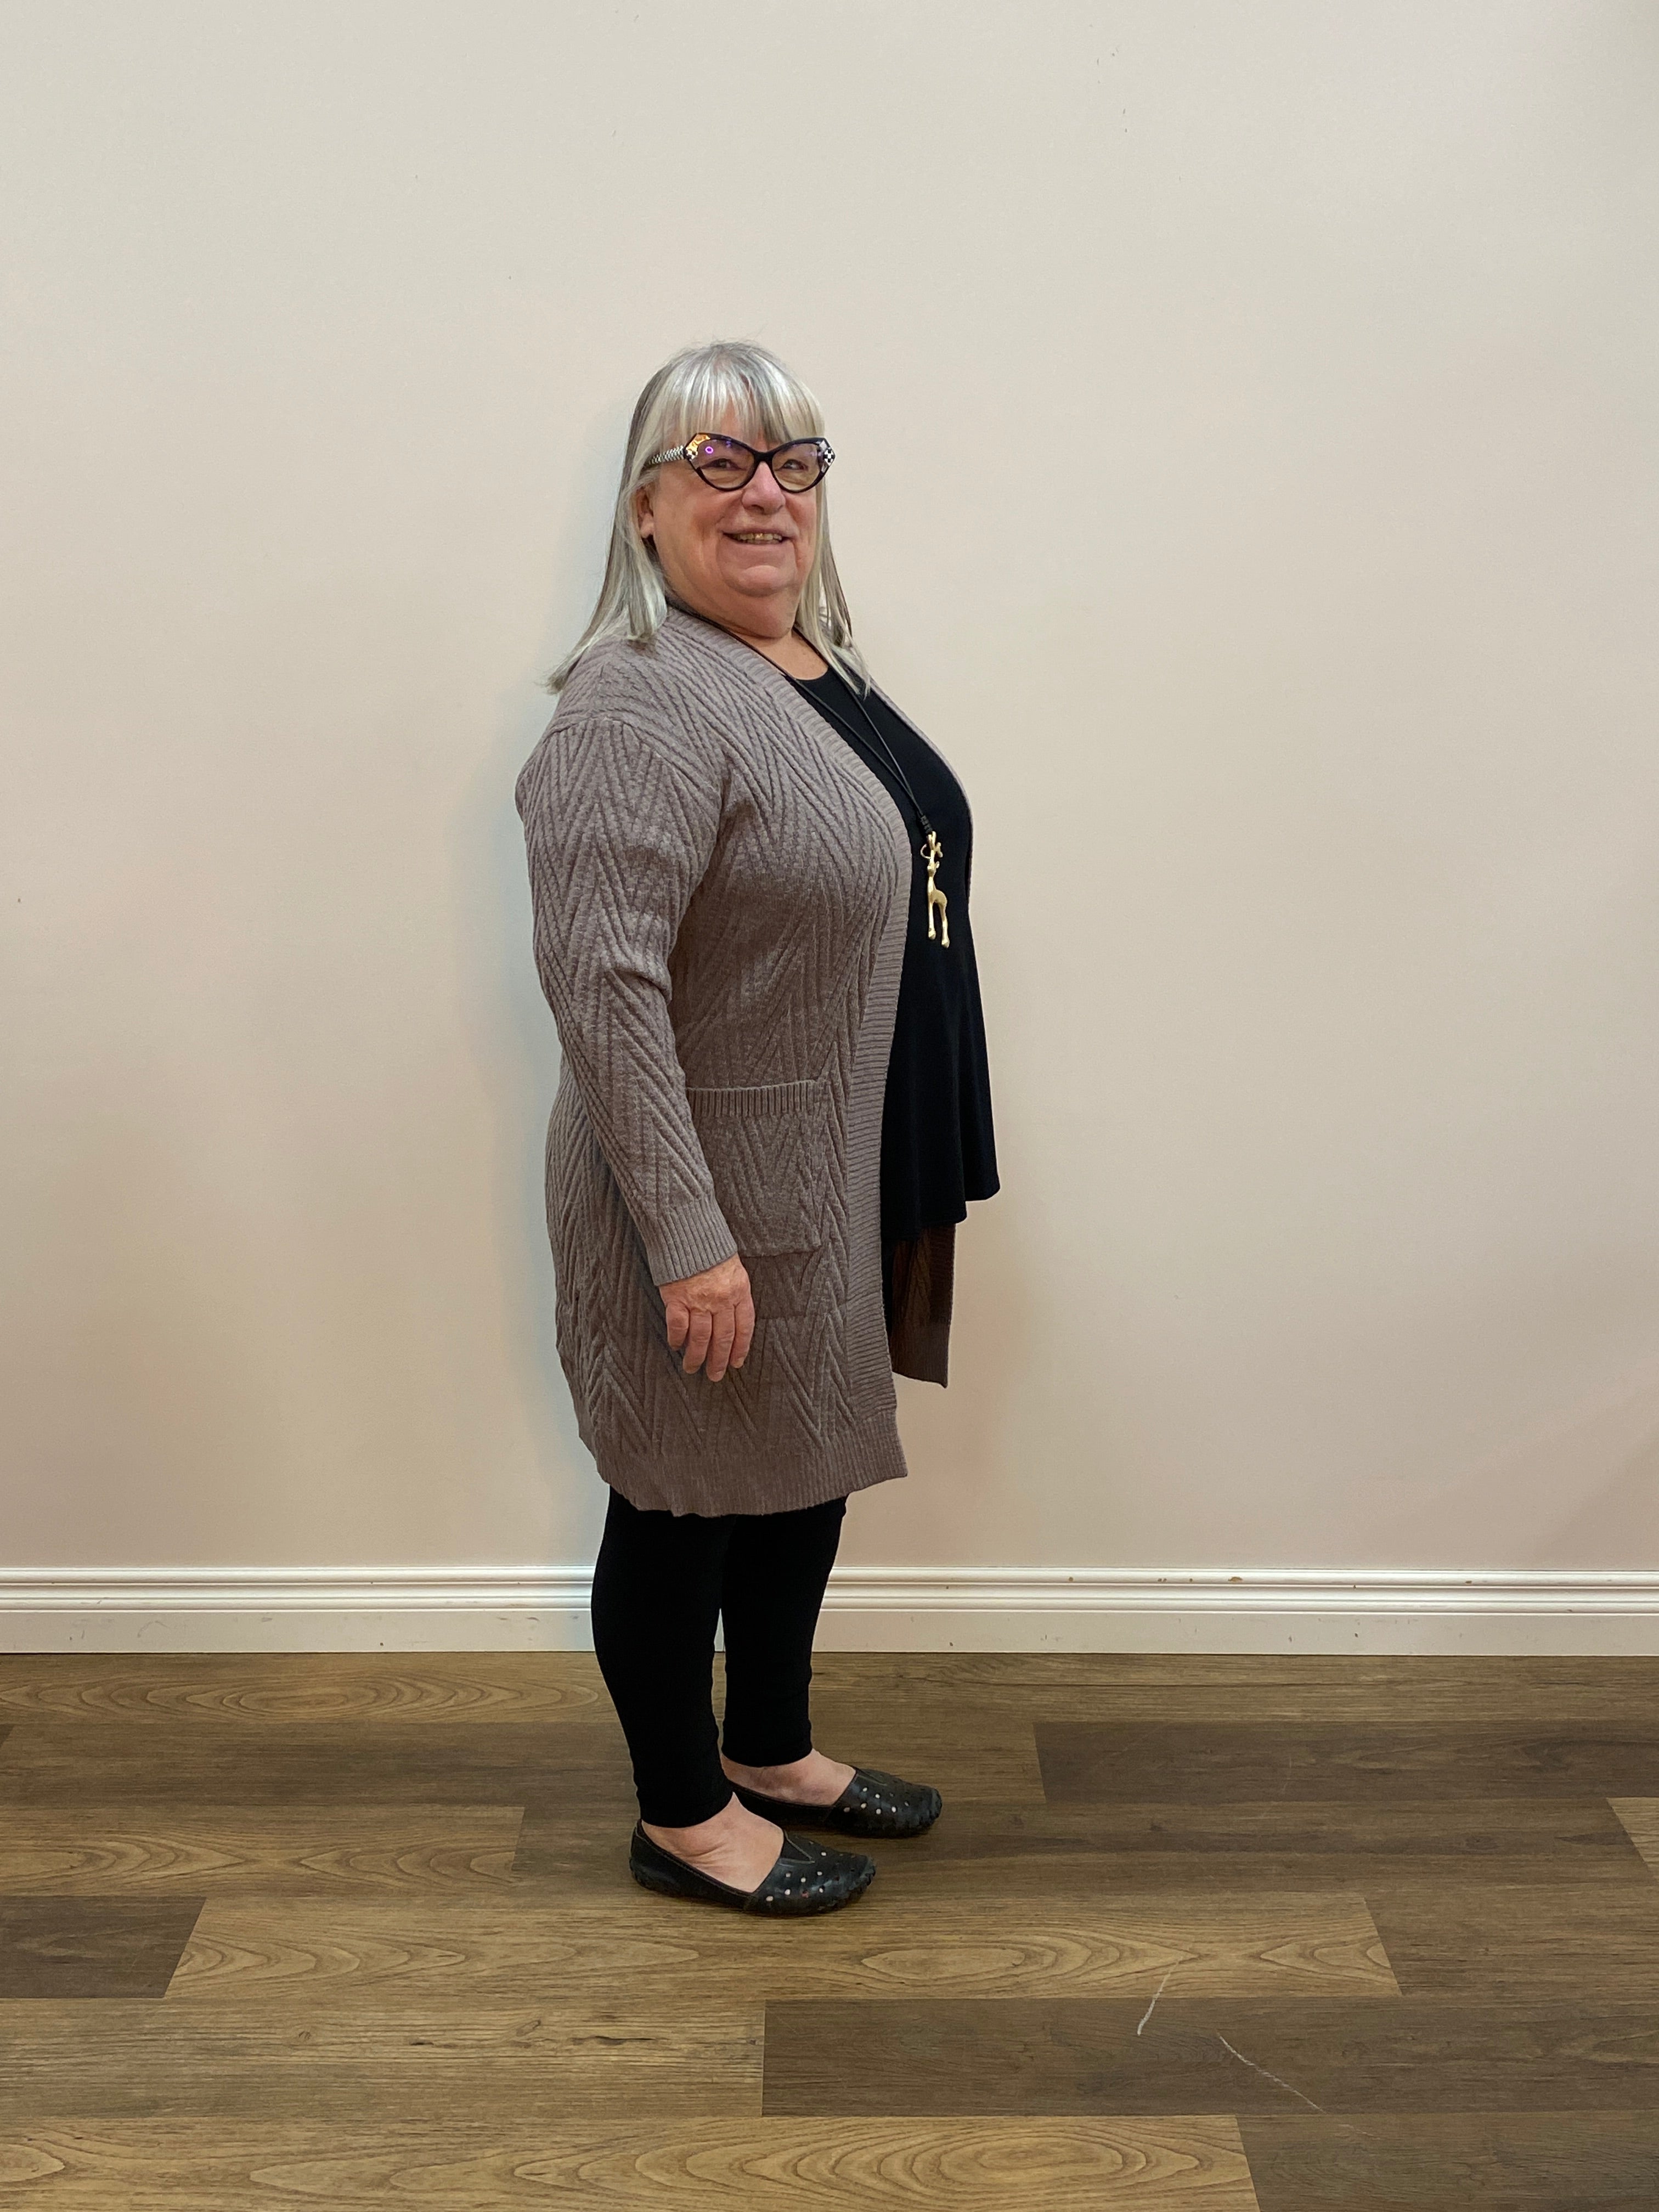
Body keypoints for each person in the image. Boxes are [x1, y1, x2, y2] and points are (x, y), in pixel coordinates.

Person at [515, 340, 998, 1916]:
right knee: (682, 1501)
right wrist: (687, 1236)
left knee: (800, 1473)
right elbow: (602, 988)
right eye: (716, 462)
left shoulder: (814, 669)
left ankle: (770, 1747)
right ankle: (682, 1816)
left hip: (832, 1170)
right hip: (711, 1191)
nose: (762, 494)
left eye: (791, 462)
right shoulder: (639, 700)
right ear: (645, 508)